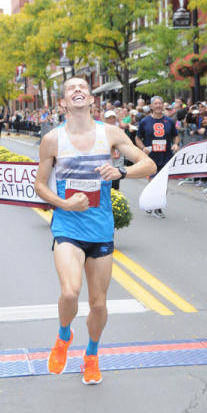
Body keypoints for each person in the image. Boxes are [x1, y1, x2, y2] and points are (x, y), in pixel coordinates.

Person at [33, 77, 154, 386]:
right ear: (62, 102)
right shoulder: (52, 140)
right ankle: (63, 336)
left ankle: (91, 353)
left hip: (101, 230)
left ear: (91, 100)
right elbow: (39, 185)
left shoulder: (110, 134)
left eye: (83, 88)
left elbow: (148, 164)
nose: (78, 91)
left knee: (98, 304)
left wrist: (122, 171)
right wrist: (64, 203)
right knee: (70, 291)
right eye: (71, 88)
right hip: (68, 225)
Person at [134, 96, 179, 218]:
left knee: (163, 184)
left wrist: (175, 144)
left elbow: (176, 136)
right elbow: (137, 138)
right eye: (156, 103)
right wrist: (143, 147)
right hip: (151, 158)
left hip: (166, 157)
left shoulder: (169, 121)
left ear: (163, 105)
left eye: (160, 103)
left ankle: (156, 205)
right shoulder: (145, 121)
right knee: (153, 182)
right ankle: (155, 207)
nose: (158, 106)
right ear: (151, 106)